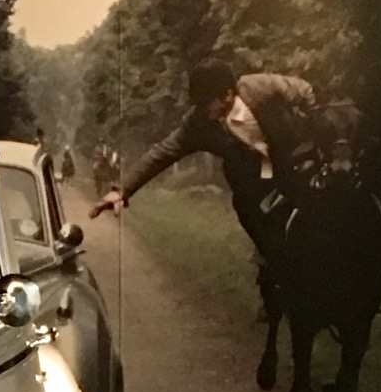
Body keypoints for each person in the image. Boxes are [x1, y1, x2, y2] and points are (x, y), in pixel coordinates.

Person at [90, 58, 318, 273]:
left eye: (206, 102)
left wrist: (317, 127)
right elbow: (162, 153)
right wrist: (123, 190)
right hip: (255, 180)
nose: (202, 109)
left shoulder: (259, 87)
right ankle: (274, 268)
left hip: (296, 158)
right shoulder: (198, 123)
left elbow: (306, 91)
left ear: (228, 94)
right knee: (245, 206)